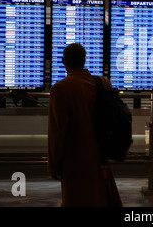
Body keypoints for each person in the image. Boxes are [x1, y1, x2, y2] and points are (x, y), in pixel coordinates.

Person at [47, 43, 122, 207]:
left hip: (74, 161)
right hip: (100, 157)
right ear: (84, 60)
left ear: (63, 61)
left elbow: (57, 131)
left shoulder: (60, 89)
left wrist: (53, 163)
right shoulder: (103, 83)